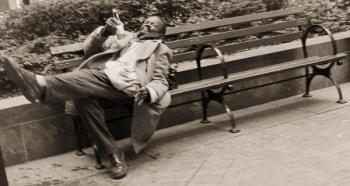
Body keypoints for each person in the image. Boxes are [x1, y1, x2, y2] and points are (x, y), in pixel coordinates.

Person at [1, 15, 172, 179]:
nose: (147, 25)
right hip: (108, 83)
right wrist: (105, 31)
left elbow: (160, 80)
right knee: (83, 98)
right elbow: (89, 49)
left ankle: (39, 84)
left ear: (161, 32)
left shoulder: (161, 49)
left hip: (131, 91)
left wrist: (149, 92)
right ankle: (113, 154)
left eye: (153, 24)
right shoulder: (126, 38)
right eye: (146, 22)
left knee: (91, 75)